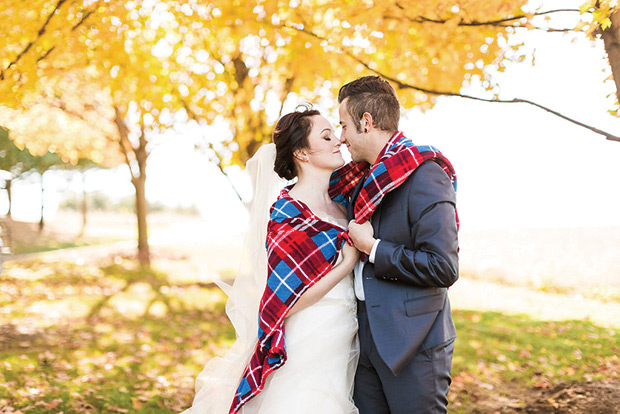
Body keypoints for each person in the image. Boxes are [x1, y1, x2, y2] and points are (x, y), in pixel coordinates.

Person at [183, 107, 365, 414]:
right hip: (310, 335)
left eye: (335, 133)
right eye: (326, 136)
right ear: (302, 153)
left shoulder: (344, 203)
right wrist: (346, 264)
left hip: (346, 333)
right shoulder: (287, 215)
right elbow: (287, 300)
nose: (339, 141)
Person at [337, 76, 459, 413]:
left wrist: (373, 248)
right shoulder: (362, 180)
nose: (342, 136)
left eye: (344, 125)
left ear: (366, 121)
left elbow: (443, 266)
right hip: (364, 340)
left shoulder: (426, 175)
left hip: (414, 344)